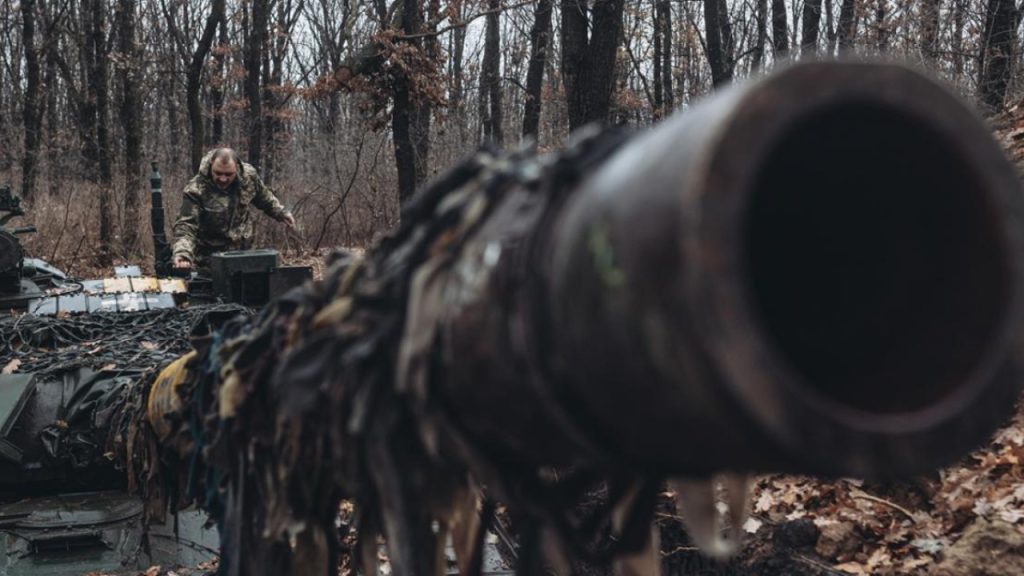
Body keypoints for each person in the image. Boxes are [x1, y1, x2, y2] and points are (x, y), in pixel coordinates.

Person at [172, 148, 296, 271]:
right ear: (211, 167)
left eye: (228, 174)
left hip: (243, 254)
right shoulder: (196, 190)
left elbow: (263, 197)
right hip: (210, 259)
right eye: (218, 173)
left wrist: (280, 212)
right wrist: (183, 253)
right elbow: (186, 225)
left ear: (236, 168)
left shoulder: (248, 177)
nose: (223, 179)